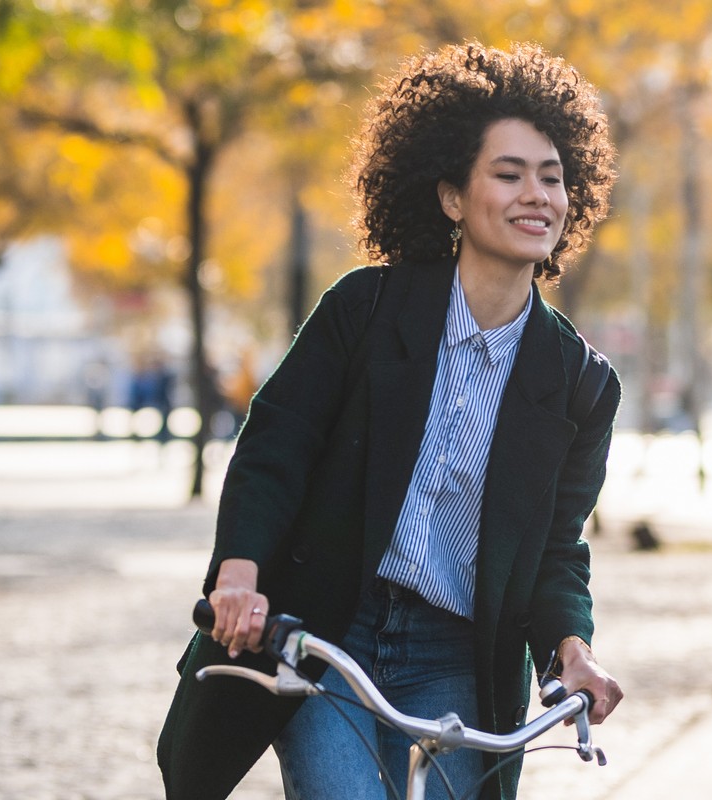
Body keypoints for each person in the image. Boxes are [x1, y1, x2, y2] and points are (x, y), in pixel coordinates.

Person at [157, 40, 623, 800]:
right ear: (450, 197)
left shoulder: (578, 385)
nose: (536, 194)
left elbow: (555, 549)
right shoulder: (366, 310)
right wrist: (238, 578)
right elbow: (279, 445)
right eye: (507, 175)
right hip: (326, 631)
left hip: (459, 654)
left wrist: (573, 650)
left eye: (552, 177)